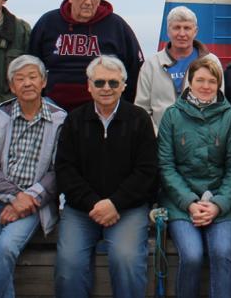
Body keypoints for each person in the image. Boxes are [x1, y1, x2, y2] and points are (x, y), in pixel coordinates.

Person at [54, 55, 158, 298]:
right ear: (88, 85)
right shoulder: (75, 120)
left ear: (124, 85)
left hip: (127, 208)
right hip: (82, 210)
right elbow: (65, 169)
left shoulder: (139, 119)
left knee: (127, 261)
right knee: (68, 265)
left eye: (113, 83)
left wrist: (114, 203)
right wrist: (94, 203)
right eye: (99, 83)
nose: (106, 89)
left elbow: (147, 171)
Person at [0, 55, 68, 298]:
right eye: (20, 79)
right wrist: (15, 197)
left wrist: (28, 199)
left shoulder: (60, 119)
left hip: (34, 204)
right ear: (11, 86)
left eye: (33, 77)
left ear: (43, 81)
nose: (27, 83)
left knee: (2, 251)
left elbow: (59, 169)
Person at [157, 56, 231, 298]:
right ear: (189, 82)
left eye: (211, 81)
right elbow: (166, 165)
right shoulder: (172, 116)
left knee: (221, 252)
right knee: (192, 255)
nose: (206, 86)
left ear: (219, 84)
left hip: (221, 201)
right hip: (180, 201)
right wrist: (189, 203)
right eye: (200, 80)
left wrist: (218, 205)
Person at [29, 0, 145, 111]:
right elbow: (31, 66)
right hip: (52, 109)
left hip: (101, 110)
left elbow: (135, 71)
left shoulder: (116, 26)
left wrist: (124, 108)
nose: (88, 2)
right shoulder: (48, 23)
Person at [135, 5, 222, 132]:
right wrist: (158, 137)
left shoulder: (211, 62)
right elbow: (142, 109)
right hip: (160, 141)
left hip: (201, 142)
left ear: (195, 31)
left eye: (187, 28)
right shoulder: (151, 65)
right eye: (176, 28)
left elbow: (219, 106)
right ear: (168, 31)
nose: (182, 33)